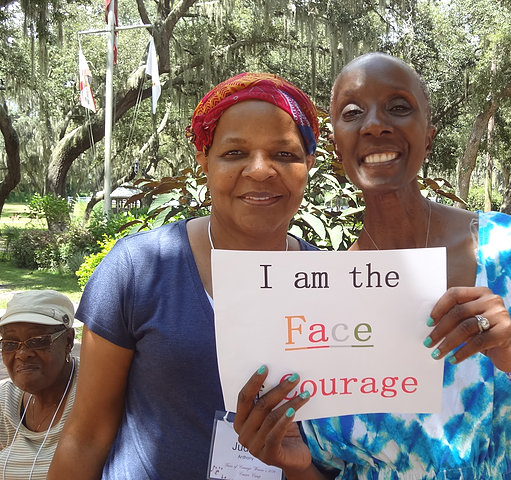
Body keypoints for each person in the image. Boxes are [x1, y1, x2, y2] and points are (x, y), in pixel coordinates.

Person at [233, 53, 511, 479]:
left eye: (399, 107)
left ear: (429, 136)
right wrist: (295, 465)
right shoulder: (324, 298)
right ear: (335, 144)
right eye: (352, 112)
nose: (375, 124)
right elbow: (327, 468)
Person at [47, 72, 319, 479]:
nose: (260, 170)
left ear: (308, 165)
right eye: (235, 153)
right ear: (204, 160)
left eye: (284, 154)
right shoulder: (139, 268)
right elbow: (86, 436)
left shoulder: (331, 288)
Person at [0, 290, 78, 480]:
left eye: (37, 341)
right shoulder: (6, 400)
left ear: (68, 341)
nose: (22, 353)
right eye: (10, 343)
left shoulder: (92, 393)